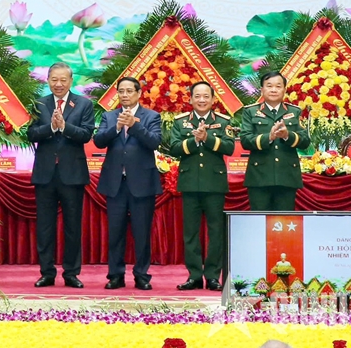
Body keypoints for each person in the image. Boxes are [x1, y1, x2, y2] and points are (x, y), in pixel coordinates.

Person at [26, 62, 95, 288]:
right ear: (47, 80)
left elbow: (86, 135)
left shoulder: (84, 104)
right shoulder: (39, 104)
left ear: (71, 81)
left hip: (72, 174)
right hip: (45, 174)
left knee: (73, 226)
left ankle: (71, 273)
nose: (58, 84)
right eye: (54, 79)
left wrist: (65, 127)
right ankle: (46, 272)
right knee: (45, 227)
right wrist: (52, 128)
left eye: (63, 80)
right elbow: (31, 134)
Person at [93, 77, 162, 290]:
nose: (124, 95)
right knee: (115, 233)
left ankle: (142, 275)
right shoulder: (109, 116)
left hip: (142, 183)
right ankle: (115, 275)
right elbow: (98, 141)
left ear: (139, 93)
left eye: (129, 91)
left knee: (142, 233)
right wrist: (116, 127)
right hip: (115, 183)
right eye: (121, 91)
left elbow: (154, 142)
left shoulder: (151, 116)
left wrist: (134, 126)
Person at [168, 81, 234, 292]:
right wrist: (194, 141)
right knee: (190, 233)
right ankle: (194, 276)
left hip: (214, 184)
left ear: (213, 99)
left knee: (216, 232)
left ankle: (213, 276)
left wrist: (207, 138)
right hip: (190, 184)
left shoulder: (223, 121)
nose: (202, 100)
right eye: (197, 96)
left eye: (206, 96)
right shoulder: (181, 122)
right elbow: (174, 148)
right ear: (190, 99)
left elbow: (230, 147)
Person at [240, 71, 311, 211]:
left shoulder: (295, 111)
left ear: (284, 90)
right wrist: (269, 137)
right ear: (262, 90)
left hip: (287, 176)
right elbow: (245, 140)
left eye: (278, 86)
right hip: (259, 177)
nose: (273, 90)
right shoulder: (250, 112)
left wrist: (287, 135)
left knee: (284, 221)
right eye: (269, 86)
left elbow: (305, 141)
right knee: (259, 220)